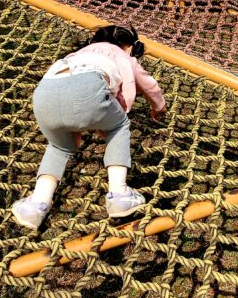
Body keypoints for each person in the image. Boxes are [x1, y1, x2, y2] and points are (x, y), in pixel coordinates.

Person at [12, 24, 166, 229]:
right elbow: (149, 86)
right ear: (127, 45)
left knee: (58, 147)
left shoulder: (76, 54)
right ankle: (119, 193)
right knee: (119, 126)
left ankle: (36, 205)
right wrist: (159, 107)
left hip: (43, 95)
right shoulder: (124, 56)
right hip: (87, 88)